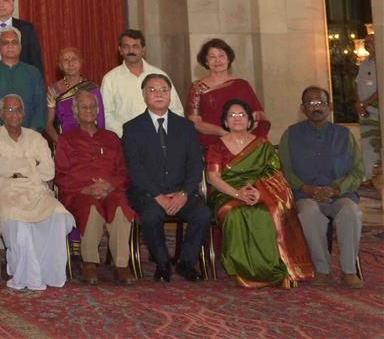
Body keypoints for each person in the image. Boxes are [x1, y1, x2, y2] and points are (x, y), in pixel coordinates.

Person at [205, 97, 314, 288]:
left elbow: (274, 174)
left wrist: (258, 192)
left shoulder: (262, 145)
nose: (237, 118)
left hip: (261, 192)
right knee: (235, 215)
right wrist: (238, 194)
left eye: (241, 115)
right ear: (225, 121)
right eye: (232, 115)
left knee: (267, 214)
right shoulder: (217, 146)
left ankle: (270, 269)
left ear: (250, 121)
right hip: (226, 194)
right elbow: (213, 178)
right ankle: (244, 271)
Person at [122, 73, 209, 282]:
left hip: (181, 192)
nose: (158, 94)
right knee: (151, 216)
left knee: (203, 214)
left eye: (163, 90)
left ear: (170, 95)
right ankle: (162, 264)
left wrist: (184, 193)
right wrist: (158, 196)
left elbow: (196, 165)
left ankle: (186, 263)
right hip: (149, 194)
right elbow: (135, 169)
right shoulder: (132, 128)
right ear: (143, 95)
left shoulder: (186, 127)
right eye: (152, 90)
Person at [0, 94, 74, 291]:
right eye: (8, 110)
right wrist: (32, 164)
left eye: (17, 110)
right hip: (7, 192)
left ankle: (50, 273)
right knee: (16, 220)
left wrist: (17, 169)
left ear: (23, 114)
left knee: (58, 214)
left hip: (36, 190)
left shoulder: (36, 138)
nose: (13, 114)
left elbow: (49, 170)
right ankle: (28, 274)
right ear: (1, 114)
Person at [279, 86, 365, 287]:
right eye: (310, 103)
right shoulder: (291, 135)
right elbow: (285, 170)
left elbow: (358, 170)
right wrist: (306, 188)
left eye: (321, 103)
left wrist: (337, 189)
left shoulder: (344, 135)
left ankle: (349, 270)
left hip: (339, 195)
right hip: (305, 195)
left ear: (330, 107)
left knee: (351, 212)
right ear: (303, 108)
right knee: (308, 213)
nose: (316, 107)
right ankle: (322, 269)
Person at [52, 91, 135, 284]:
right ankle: (89, 263)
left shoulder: (112, 138)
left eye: (92, 107)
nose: (88, 110)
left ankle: (121, 264)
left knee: (121, 205)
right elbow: (60, 174)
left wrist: (110, 185)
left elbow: (124, 172)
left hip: (110, 191)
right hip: (80, 193)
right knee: (90, 207)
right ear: (75, 111)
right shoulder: (66, 140)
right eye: (83, 107)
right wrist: (85, 189)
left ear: (98, 110)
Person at [187, 38, 270, 151]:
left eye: (221, 56)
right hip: (212, 147)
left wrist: (242, 137)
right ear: (206, 61)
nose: (217, 61)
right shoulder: (197, 87)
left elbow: (257, 117)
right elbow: (195, 123)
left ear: (228, 59)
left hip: (243, 146)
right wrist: (224, 133)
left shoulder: (242, 85)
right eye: (212, 57)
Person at [101, 29, 182, 136]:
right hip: (125, 139)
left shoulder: (159, 75)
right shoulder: (110, 79)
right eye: (126, 47)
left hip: (160, 137)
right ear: (120, 50)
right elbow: (106, 114)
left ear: (143, 50)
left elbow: (176, 108)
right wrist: (127, 133)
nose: (131, 50)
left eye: (135, 46)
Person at [0, 30, 47, 132]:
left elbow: (40, 105)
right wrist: (3, 131)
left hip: (30, 133)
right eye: (5, 42)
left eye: (14, 42)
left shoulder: (33, 73)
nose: (10, 46)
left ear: (20, 46)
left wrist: (33, 130)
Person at [45, 46, 103, 146]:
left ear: (81, 62)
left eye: (74, 59)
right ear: (60, 66)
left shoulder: (92, 88)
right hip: (65, 141)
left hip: (90, 140)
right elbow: (48, 124)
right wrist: (62, 144)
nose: (70, 63)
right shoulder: (53, 91)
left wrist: (98, 142)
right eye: (65, 60)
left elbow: (100, 119)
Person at [356, 34, 378, 177]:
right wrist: (359, 103)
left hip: (377, 111)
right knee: (367, 143)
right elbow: (357, 83)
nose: (366, 44)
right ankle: (369, 176)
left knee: (377, 143)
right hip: (364, 111)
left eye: (370, 41)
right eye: (365, 42)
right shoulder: (364, 63)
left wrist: (366, 102)